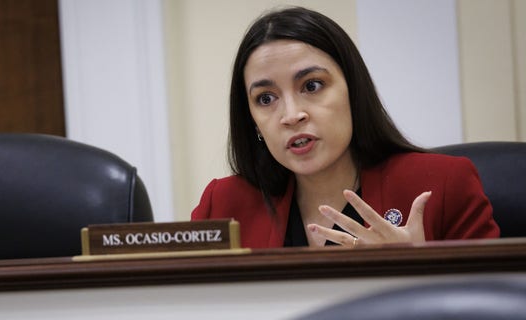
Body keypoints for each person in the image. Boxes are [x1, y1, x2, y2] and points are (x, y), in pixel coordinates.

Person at [191, 6, 500, 249]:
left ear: (353, 90)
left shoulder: (443, 186)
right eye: (266, 98)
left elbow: (496, 307)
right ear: (251, 119)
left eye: (312, 85)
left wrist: (415, 270)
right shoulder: (224, 205)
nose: (291, 115)